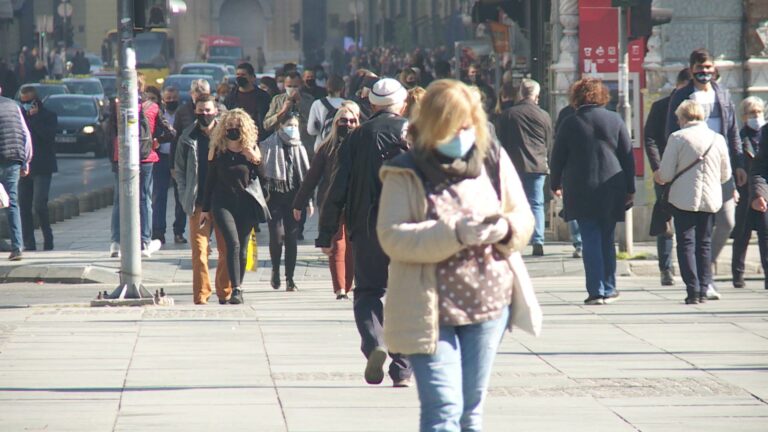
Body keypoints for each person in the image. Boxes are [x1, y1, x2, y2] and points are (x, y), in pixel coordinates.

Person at [377, 79, 534, 432]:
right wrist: (454, 234)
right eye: (453, 125)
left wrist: (504, 229)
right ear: (433, 124)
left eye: (467, 125)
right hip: (429, 308)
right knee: (443, 409)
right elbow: (392, 236)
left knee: (470, 412)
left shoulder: (490, 156)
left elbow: (522, 216)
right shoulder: (406, 170)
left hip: (488, 303)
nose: (462, 133)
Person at [318, 78, 412, 387]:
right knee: (405, 295)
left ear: (371, 105)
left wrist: (326, 230)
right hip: (407, 226)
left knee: (369, 290)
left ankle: (375, 343)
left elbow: (338, 185)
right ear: (402, 103)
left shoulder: (356, 137)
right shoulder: (413, 132)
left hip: (367, 224)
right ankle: (402, 368)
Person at [666, 48, 744, 300]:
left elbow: (732, 131)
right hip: (689, 166)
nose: (705, 72)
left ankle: (704, 273)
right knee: (692, 236)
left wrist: (739, 162)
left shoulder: (722, 94)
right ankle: (702, 280)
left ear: (715, 69)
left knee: (727, 222)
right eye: (700, 68)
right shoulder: (681, 95)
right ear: (691, 70)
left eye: (709, 68)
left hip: (718, 164)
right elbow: (671, 130)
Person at [550, 78, 635, 305]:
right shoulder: (615, 120)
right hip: (611, 186)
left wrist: (555, 183)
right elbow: (627, 156)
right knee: (607, 238)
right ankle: (609, 287)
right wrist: (630, 188)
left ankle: (595, 290)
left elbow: (557, 156)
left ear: (576, 97)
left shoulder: (570, 122)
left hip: (580, 187)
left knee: (590, 238)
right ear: (602, 96)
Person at [656, 100, 731, 304]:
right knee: (704, 244)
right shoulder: (718, 139)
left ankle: (693, 290)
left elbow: (667, 173)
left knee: (686, 243)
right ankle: (705, 286)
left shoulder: (677, 138)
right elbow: (726, 175)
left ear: (683, 117)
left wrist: (659, 176)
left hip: (683, 198)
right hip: (710, 199)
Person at [293, 102, 360, 299]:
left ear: (357, 123)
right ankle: (340, 289)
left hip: (357, 202)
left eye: (351, 121)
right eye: (343, 120)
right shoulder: (326, 148)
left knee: (353, 245)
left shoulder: (363, 147)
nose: (347, 124)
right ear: (335, 123)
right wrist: (299, 203)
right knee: (337, 244)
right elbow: (311, 178)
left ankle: (349, 285)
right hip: (331, 202)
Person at [201, 109, 268, 305]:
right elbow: (210, 180)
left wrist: (254, 160)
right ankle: (236, 289)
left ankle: (238, 287)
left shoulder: (251, 149)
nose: (232, 130)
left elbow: (265, 181)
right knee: (233, 244)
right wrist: (205, 209)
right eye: (229, 127)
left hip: (246, 204)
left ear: (244, 128)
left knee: (243, 248)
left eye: (236, 127)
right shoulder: (218, 150)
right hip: (222, 204)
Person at [174, 94, 232, 305]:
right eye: (200, 110)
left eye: (208, 110)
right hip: (197, 203)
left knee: (226, 250)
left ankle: (225, 291)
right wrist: (183, 195)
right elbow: (178, 170)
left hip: (223, 202)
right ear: (195, 110)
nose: (204, 114)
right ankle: (201, 294)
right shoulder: (187, 136)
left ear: (216, 110)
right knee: (199, 252)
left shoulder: (226, 135)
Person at [645, 68, 693, 286]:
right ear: (679, 85)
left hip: (692, 171)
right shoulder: (661, 106)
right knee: (665, 220)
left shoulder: (697, 108)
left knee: (692, 219)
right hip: (666, 172)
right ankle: (666, 268)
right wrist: (657, 169)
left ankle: (693, 267)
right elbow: (650, 139)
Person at [109, 73, 163, 258]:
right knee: (144, 199)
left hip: (122, 156)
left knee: (119, 199)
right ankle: (145, 242)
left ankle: (116, 243)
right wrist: (157, 140)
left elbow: (112, 132)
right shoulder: (152, 107)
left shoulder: (117, 104)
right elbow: (168, 131)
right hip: (146, 156)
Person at [497, 78, 552, 256]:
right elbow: (548, 142)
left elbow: (500, 142)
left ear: (521, 93)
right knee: (537, 203)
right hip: (537, 166)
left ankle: (518, 239)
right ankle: (538, 239)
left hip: (514, 166)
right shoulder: (544, 115)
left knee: (515, 204)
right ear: (536, 95)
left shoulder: (509, 114)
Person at [258, 112, 311, 292]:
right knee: (277, 236)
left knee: (292, 237)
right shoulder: (267, 145)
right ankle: (275, 270)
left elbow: (306, 176)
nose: (293, 129)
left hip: (295, 198)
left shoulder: (300, 147)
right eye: (290, 125)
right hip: (274, 197)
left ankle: (290, 278)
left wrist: (308, 200)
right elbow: (261, 172)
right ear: (280, 126)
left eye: (296, 126)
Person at [732, 97, 766, 287]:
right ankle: (738, 275)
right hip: (745, 191)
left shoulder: (766, 134)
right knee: (742, 234)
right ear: (744, 116)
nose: (756, 116)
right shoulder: (739, 137)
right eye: (752, 113)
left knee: (765, 234)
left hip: (763, 192)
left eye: (759, 112)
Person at [18, 87, 57, 251]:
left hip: (42, 167)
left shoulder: (48, 116)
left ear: (36, 101)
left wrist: (34, 120)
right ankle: (29, 242)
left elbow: (47, 137)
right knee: (24, 206)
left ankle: (48, 239)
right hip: (24, 166)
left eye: (28, 102)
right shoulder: (20, 117)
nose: (25, 105)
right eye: (22, 102)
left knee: (40, 204)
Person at [0, 89, 33, 260]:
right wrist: (26, 161)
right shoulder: (14, 106)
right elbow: (25, 134)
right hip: (13, 158)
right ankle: (17, 247)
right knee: (12, 203)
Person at [151, 86, 181, 245]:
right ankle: (158, 232)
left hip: (178, 158)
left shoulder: (182, 114)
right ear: (163, 100)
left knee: (180, 196)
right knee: (159, 196)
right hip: (161, 158)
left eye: (173, 98)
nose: (171, 101)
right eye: (168, 99)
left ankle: (179, 231)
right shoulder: (158, 113)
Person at [263, 71, 315, 158]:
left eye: (295, 86)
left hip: (304, 147)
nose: (292, 89)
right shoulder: (277, 100)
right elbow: (266, 125)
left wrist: (300, 103)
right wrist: (282, 111)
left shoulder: (309, 99)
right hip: (282, 148)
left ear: (301, 85)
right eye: (289, 86)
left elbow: (312, 121)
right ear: (284, 86)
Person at [225, 62, 271, 141]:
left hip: (259, 139)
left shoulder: (264, 97)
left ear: (252, 77)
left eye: (243, 75)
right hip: (236, 139)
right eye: (238, 75)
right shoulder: (231, 97)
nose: (239, 77)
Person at [307, 74, 345, 151]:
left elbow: (311, 130)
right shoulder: (347, 104)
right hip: (341, 147)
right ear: (342, 89)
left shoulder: (317, 104)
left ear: (326, 87)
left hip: (321, 146)